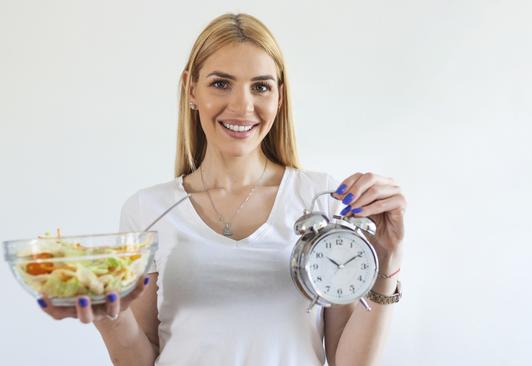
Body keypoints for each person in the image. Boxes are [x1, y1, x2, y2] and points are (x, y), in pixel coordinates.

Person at [38, 12, 406, 366]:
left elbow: (349, 362)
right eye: (220, 83)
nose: (242, 106)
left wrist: (387, 260)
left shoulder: (320, 198)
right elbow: (140, 360)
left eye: (260, 86)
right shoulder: (148, 209)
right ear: (191, 90)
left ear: (280, 96)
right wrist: (109, 315)